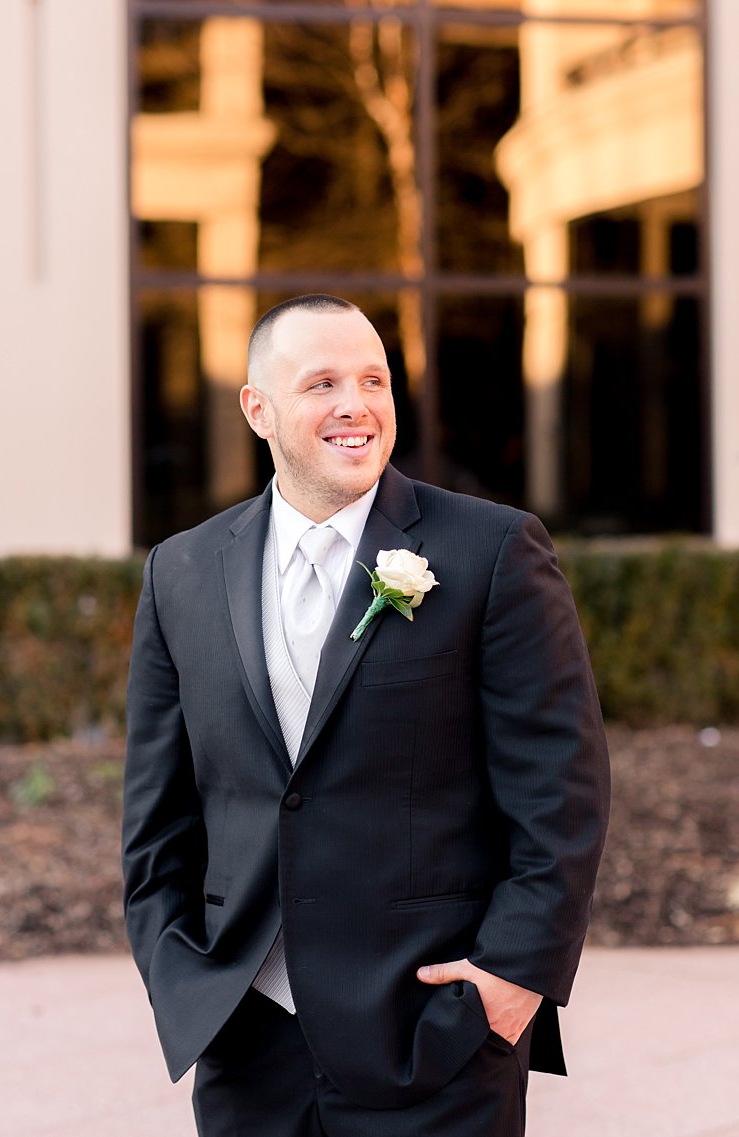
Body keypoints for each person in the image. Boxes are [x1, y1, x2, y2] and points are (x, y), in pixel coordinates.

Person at [121, 293, 610, 1137]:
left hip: (436, 1041)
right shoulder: (182, 572)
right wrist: (183, 978)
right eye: (323, 382)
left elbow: (562, 792)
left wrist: (508, 981)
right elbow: (157, 817)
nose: (357, 404)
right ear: (258, 409)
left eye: (374, 379)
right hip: (248, 1050)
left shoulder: (491, 551)